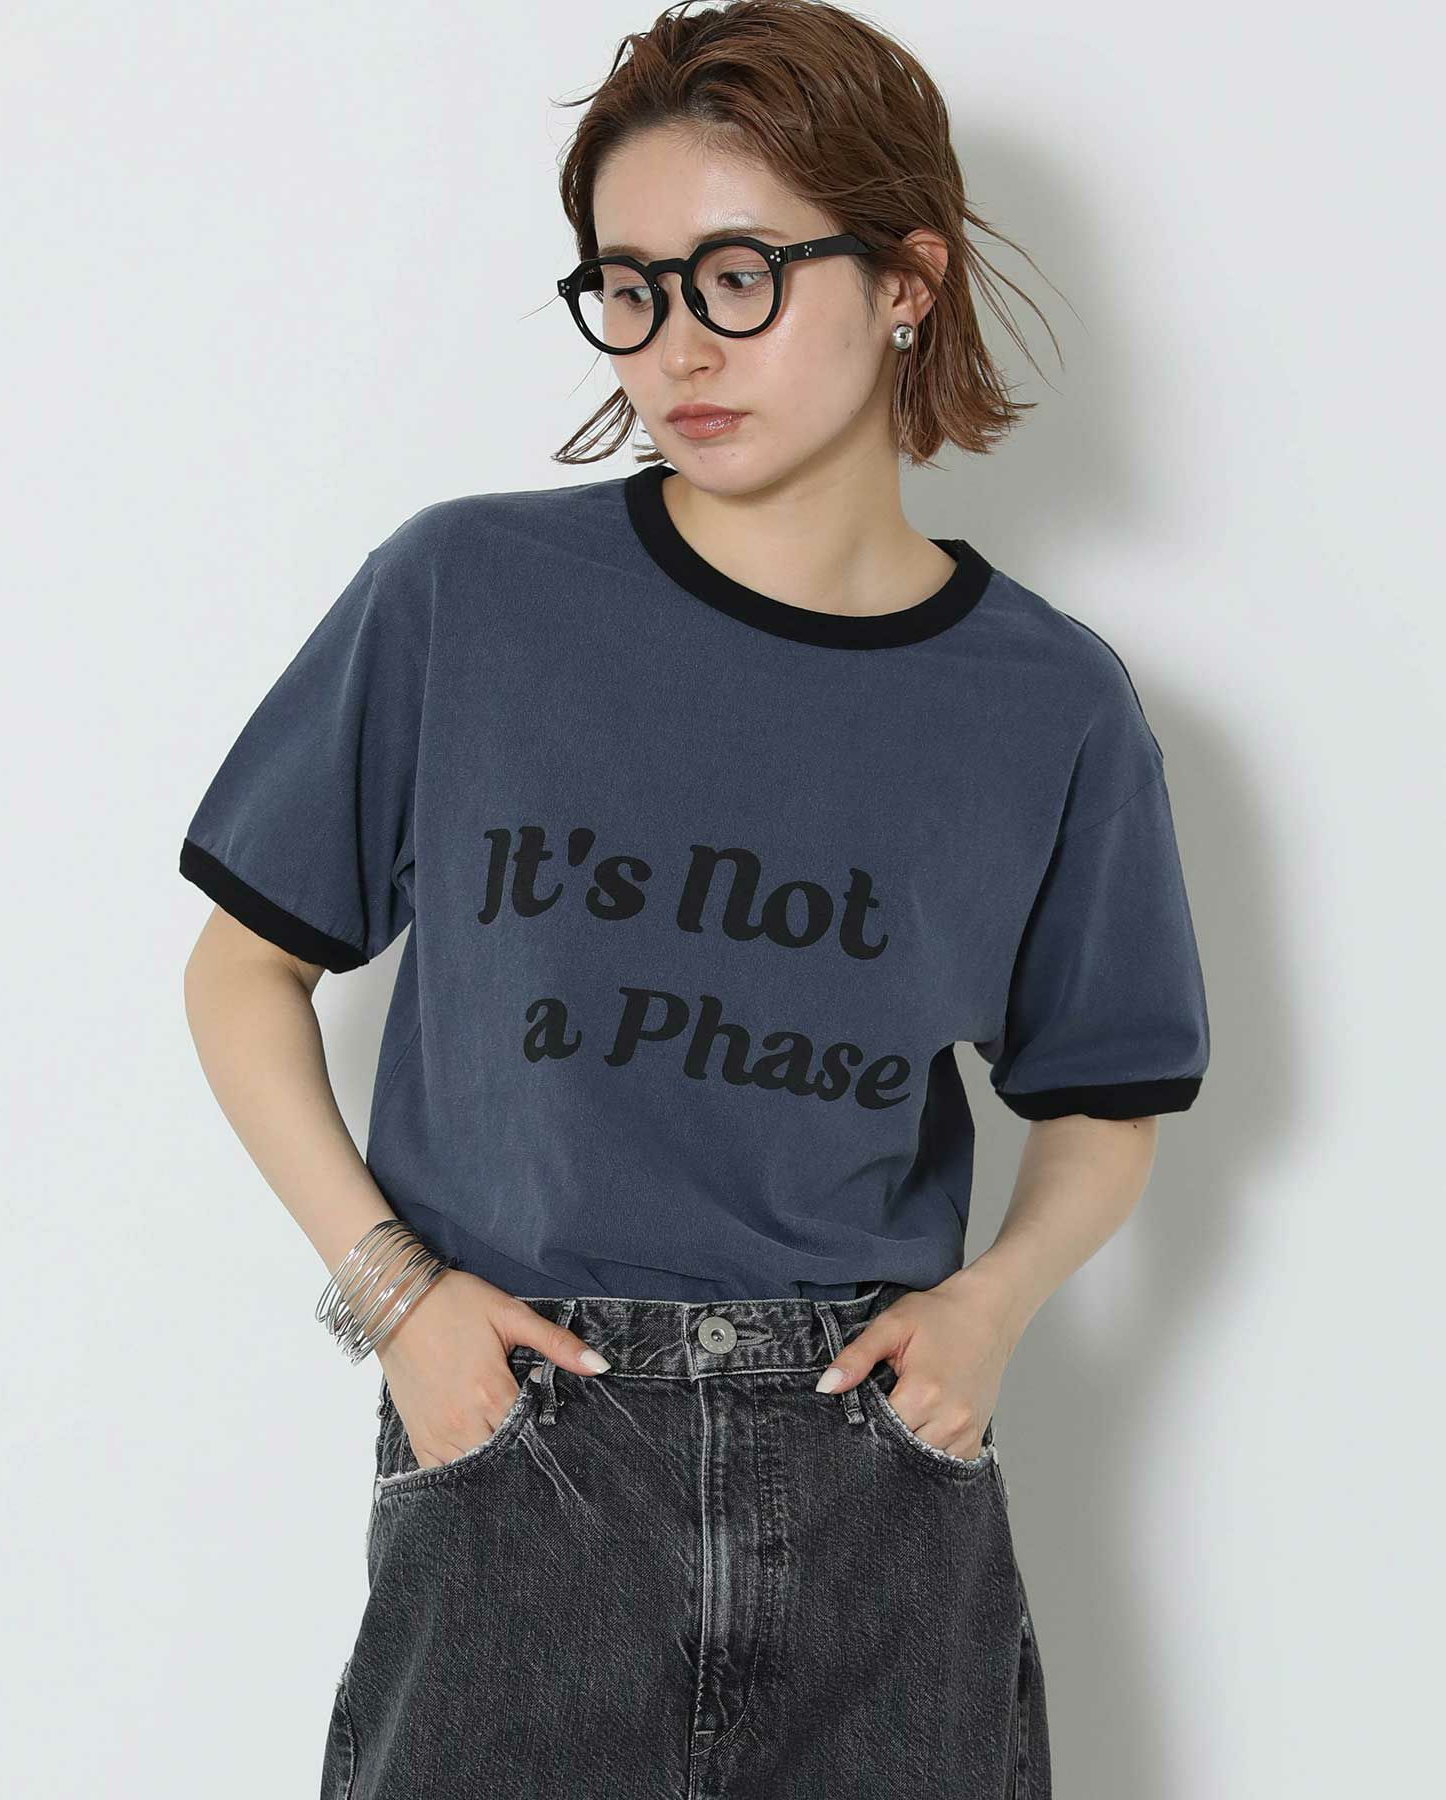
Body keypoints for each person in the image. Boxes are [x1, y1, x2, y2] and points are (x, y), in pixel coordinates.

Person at [178, 3, 1210, 1794]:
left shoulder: (1049, 703)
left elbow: (1105, 1099)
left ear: (906, 280)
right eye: (630, 287)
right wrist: (396, 1299)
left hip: (873, 1473)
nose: (677, 345)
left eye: (740, 277)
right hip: (524, 1446)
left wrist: (992, 1306)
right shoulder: (468, 598)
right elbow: (239, 972)